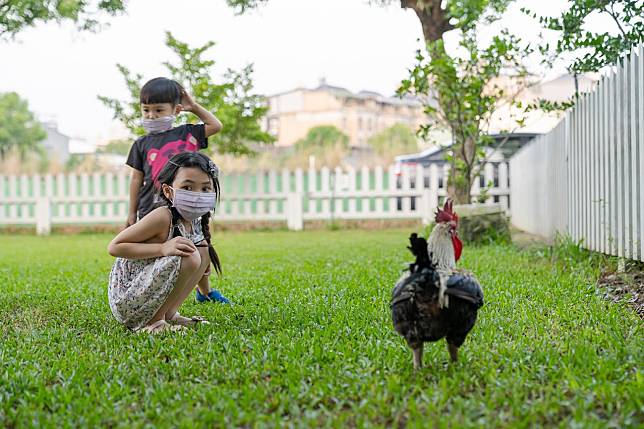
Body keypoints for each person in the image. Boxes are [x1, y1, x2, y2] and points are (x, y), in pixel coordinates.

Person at [124, 77, 230, 304]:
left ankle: (204, 292)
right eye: (146, 110)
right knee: (163, 253)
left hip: (188, 205)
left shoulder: (187, 134)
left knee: (199, 247)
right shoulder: (141, 144)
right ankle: (154, 296)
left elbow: (216, 126)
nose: (151, 116)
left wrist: (194, 107)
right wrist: (132, 212)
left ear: (176, 110)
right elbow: (136, 179)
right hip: (153, 208)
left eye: (158, 110)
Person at [108, 152, 223, 333]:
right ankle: (153, 323)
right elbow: (115, 247)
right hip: (128, 297)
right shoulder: (162, 216)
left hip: (147, 293)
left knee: (202, 251)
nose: (197, 195)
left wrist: (202, 269)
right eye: (188, 187)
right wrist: (162, 248)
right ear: (168, 191)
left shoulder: (195, 220)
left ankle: (168, 314)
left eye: (205, 188)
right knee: (190, 254)